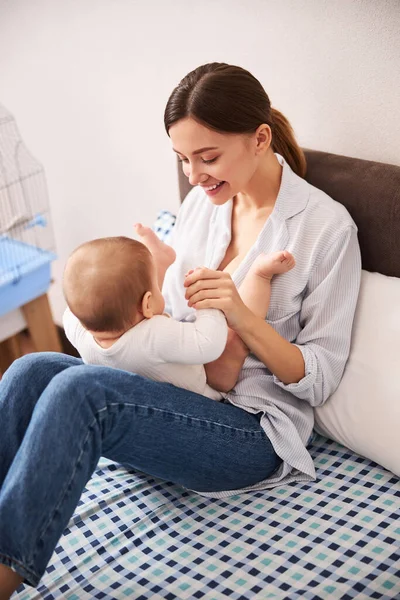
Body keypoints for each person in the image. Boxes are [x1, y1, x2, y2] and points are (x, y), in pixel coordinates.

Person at [0, 62, 361, 597]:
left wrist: (241, 316)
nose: (193, 176)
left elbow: (320, 378)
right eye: (183, 160)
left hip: (250, 430)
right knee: (31, 368)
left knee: (82, 391)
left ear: (260, 139)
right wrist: (155, 273)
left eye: (207, 157)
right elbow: (167, 317)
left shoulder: (325, 230)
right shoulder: (202, 203)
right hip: (180, 389)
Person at [62, 232, 295, 401]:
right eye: (155, 280)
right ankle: (260, 275)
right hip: (206, 390)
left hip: (152, 385)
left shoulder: (77, 329)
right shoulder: (154, 336)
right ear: (147, 303)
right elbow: (209, 345)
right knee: (235, 342)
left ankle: (158, 260)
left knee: (136, 300)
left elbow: (74, 310)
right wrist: (205, 304)